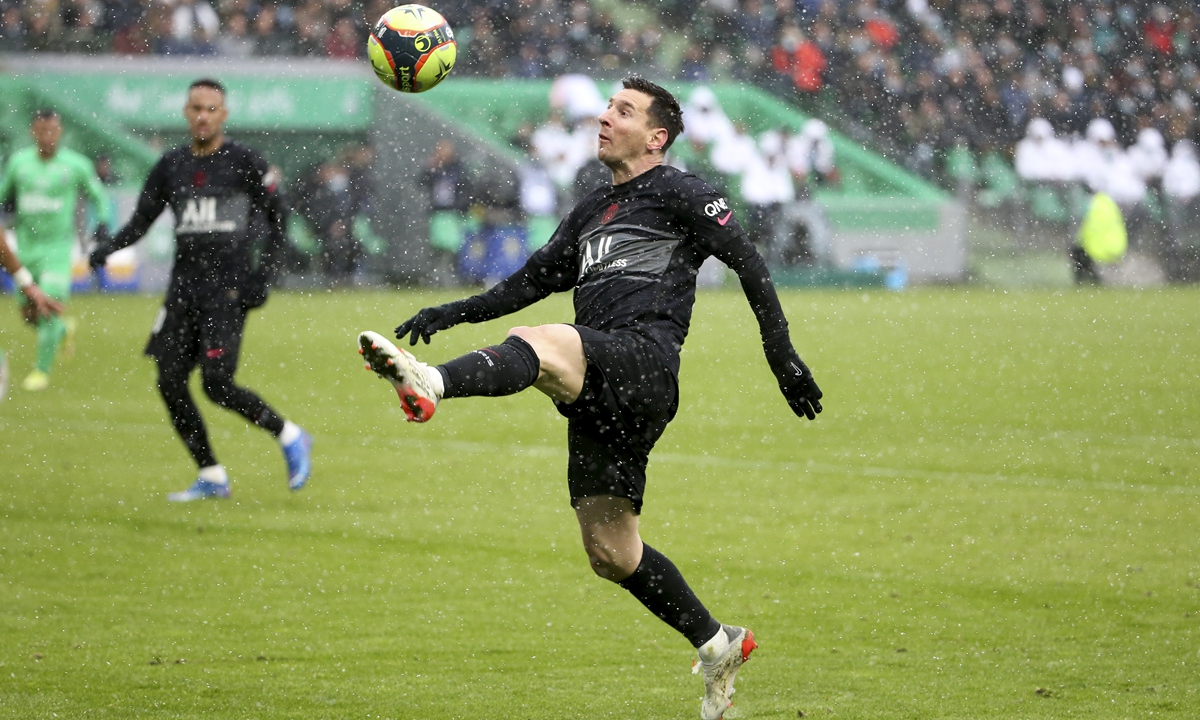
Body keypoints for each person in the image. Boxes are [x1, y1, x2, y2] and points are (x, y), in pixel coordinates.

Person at [356, 77, 823, 720]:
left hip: (644, 362)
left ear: (656, 136)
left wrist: (783, 356)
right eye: (607, 106)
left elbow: (749, 263)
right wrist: (454, 310)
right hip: (603, 383)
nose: (604, 117)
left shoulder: (683, 193)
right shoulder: (591, 209)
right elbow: (532, 279)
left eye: (622, 111)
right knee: (610, 552)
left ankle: (430, 383)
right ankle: (719, 644)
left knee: (540, 342)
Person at [89, 78, 312, 502]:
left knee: (217, 384)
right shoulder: (171, 165)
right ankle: (211, 474)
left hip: (227, 293)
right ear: (185, 113)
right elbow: (142, 221)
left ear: (223, 115)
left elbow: (278, 219)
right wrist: (106, 249)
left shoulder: (245, 162)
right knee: (170, 380)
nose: (203, 115)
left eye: (211, 108)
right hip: (183, 292)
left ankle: (290, 435)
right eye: (196, 108)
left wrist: (263, 276)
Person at [0, 108, 113, 392]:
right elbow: (3, 193)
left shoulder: (76, 165)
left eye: (52, 130)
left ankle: (41, 371)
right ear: (33, 132)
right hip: (25, 248)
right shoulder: (19, 163)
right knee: (29, 315)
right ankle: (64, 330)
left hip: (57, 249)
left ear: (60, 132)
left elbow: (99, 195)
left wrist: (102, 222)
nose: (48, 136)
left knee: (48, 305)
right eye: (42, 130)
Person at [0, 221, 64, 400]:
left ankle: (42, 370)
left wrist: (25, 282)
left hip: (54, 251)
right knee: (29, 315)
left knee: (37, 315)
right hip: (29, 248)